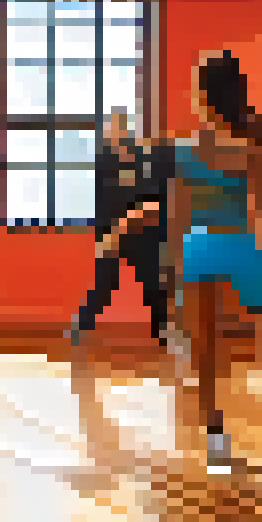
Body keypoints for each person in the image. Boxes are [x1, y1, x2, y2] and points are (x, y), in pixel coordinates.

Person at [169, 51, 262, 470]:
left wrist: (172, 261)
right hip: (242, 243)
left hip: (200, 243)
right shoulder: (252, 148)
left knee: (205, 341)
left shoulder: (186, 148)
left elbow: (179, 212)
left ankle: (214, 430)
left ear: (204, 97)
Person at [70, 108, 172, 347]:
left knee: (154, 284)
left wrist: (129, 223)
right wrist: (104, 239)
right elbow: (102, 204)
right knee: (105, 284)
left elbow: (155, 201)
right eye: (109, 129)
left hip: (144, 235)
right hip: (112, 234)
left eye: (117, 127)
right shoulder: (104, 162)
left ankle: (163, 334)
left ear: (126, 130)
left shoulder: (146, 158)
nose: (113, 132)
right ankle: (80, 329)